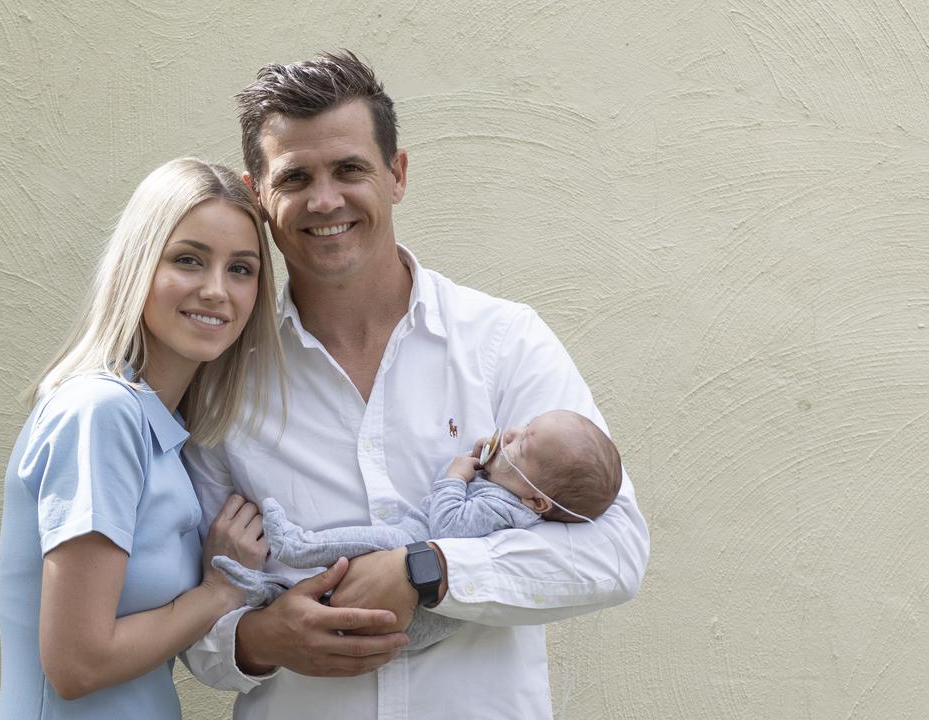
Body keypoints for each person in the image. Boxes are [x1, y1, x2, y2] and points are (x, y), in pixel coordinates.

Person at [180, 52, 651, 719]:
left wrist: (429, 573)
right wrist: (259, 639)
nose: (324, 201)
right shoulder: (223, 383)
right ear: (260, 197)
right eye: (295, 177)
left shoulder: (504, 343)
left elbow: (615, 553)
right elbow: (187, 621)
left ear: (396, 175)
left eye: (349, 169)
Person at [0, 157, 285, 719]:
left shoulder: (162, 431)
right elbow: (78, 664)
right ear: (138, 264)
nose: (215, 291)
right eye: (188, 260)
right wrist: (220, 591)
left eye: (241, 269)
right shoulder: (100, 413)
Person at [213, 410, 623, 650]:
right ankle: (268, 593)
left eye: (522, 447)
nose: (509, 434)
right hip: (410, 616)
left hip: (418, 595)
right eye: (522, 428)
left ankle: (298, 546)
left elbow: (447, 529)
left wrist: (454, 477)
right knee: (334, 595)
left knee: (385, 543)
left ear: (537, 501)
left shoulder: (503, 508)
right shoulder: (509, 494)